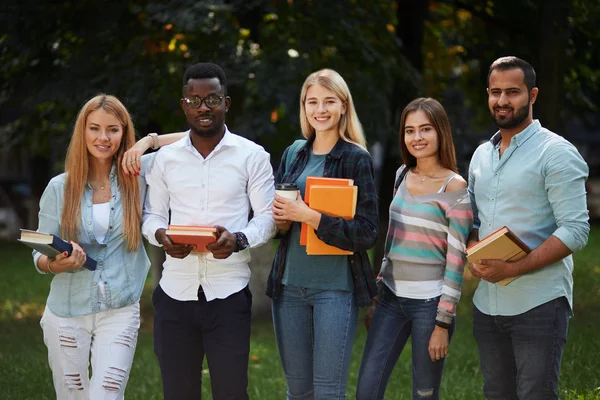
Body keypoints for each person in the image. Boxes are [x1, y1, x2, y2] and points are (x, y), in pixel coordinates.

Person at [33, 94, 184, 399]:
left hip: (120, 309)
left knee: (107, 395)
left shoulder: (138, 174)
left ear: (123, 133)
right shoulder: (59, 187)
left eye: (113, 130)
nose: (103, 137)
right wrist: (55, 264)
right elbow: (38, 251)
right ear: (83, 132)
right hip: (66, 310)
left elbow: (199, 136)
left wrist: (146, 143)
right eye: (94, 128)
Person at [141, 62, 276, 400]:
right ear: (184, 105)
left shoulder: (252, 156)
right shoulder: (165, 159)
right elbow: (151, 216)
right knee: (179, 393)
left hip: (228, 295)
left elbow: (267, 219)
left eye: (212, 99)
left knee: (231, 392)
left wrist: (238, 239)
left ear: (226, 103)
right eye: (195, 100)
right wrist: (162, 237)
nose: (204, 108)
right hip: (174, 294)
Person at [468, 56, 590, 400]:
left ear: (532, 95)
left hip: (539, 304)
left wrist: (515, 267)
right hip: (486, 307)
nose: (502, 100)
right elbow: (474, 221)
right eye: (495, 92)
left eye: (513, 92)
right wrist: (473, 247)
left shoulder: (556, 153)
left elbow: (576, 229)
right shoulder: (480, 155)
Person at [266, 68, 379, 400]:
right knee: (298, 392)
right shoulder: (294, 153)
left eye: (329, 101)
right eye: (312, 101)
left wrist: (311, 216)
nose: (321, 109)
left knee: (329, 392)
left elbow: (367, 232)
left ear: (344, 106)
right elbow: (279, 224)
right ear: (304, 107)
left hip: (335, 290)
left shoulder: (356, 158)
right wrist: (282, 220)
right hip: (289, 288)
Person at [355, 98, 474, 400]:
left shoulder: (454, 186)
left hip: (430, 307)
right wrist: (377, 294)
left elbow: (457, 258)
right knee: (367, 391)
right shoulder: (401, 176)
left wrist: (442, 323)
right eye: (409, 131)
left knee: (424, 394)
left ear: (440, 133)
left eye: (425, 129)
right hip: (390, 301)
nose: (416, 138)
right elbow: (392, 242)